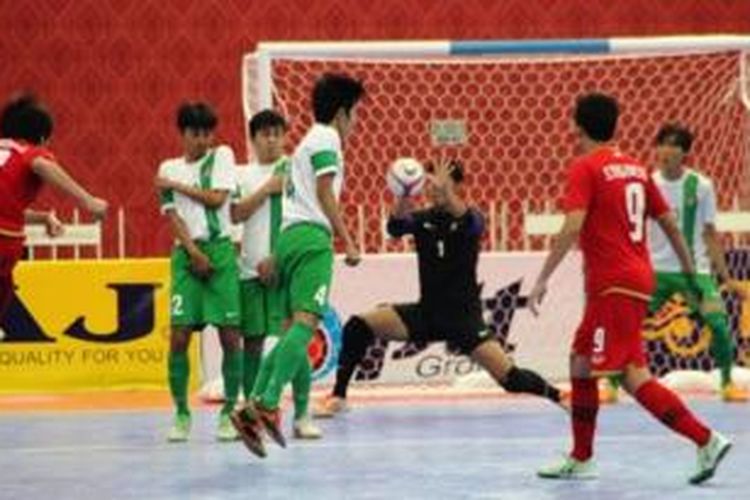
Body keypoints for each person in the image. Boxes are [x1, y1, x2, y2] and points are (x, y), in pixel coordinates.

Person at [528, 93, 730, 484]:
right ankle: (581, 456)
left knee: (631, 375)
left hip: (613, 284)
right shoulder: (636, 169)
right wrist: (690, 271)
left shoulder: (585, 167)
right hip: (637, 277)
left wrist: (542, 279)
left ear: (577, 127)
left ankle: (704, 439)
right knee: (580, 362)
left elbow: (572, 226)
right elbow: (670, 223)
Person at [314, 159, 566, 417]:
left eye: (439, 184)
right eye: (429, 183)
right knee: (359, 325)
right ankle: (339, 396)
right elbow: (395, 226)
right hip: (427, 314)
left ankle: (560, 396)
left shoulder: (472, 218)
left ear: (456, 185)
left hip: (463, 319)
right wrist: (404, 194)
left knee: (511, 379)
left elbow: (472, 224)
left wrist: (447, 194)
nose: (432, 189)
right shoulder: (424, 219)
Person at [231, 73, 365, 458]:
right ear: (341, 113)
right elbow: (324, 193)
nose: (356, 123)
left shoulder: (306, 142)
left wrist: (278, 252)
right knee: (306, 326)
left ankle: (252, 404)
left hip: (288, 239)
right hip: (311, 241)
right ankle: (270, 403)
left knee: (291, 329)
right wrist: (348, 239)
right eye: (355, 114)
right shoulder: (327, 139)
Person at [600, 124, 748, 404]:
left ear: (685, 152)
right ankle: (611, 384)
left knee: (717, 323)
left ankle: (727, 384)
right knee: (626, 323)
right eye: (661, 144)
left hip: (695, 272)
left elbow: (709, 233)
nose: (664, 150)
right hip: (654, 270)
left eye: (672, 145)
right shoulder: (646, 183)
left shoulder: (701, 187)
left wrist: (726, 277)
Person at [231, 109, 321, 439]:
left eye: (277, 133)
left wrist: (279, 257)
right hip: (250, 270)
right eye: (264, 134)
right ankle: (252, 411)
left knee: (293, 340)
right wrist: (267, 189)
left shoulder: (297, 170)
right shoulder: (243, 175)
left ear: (285, 137)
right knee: (252, 343)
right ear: (253, 139)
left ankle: (301, 413)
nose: (271, 139)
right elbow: (236, 214)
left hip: (286, 268)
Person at [155, 102, 242, 442]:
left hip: (220, 252)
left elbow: (217, 200)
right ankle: (180, 414)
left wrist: (175, 186)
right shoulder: (168, 166)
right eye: (195, 134)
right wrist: (192, 253)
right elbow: (172, 217)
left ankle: (228, 413)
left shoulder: (222, 155)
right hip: (186, 256)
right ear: (183, 134)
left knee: (230, 335)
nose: (203, 140)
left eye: (207, 133)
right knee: (178, 337)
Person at [0, 93, 107, 321]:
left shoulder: (6, 156)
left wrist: (43, 218)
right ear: (41, 138)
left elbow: (6, 205)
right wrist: (87, 200)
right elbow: (41, 164)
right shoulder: (28, 151)